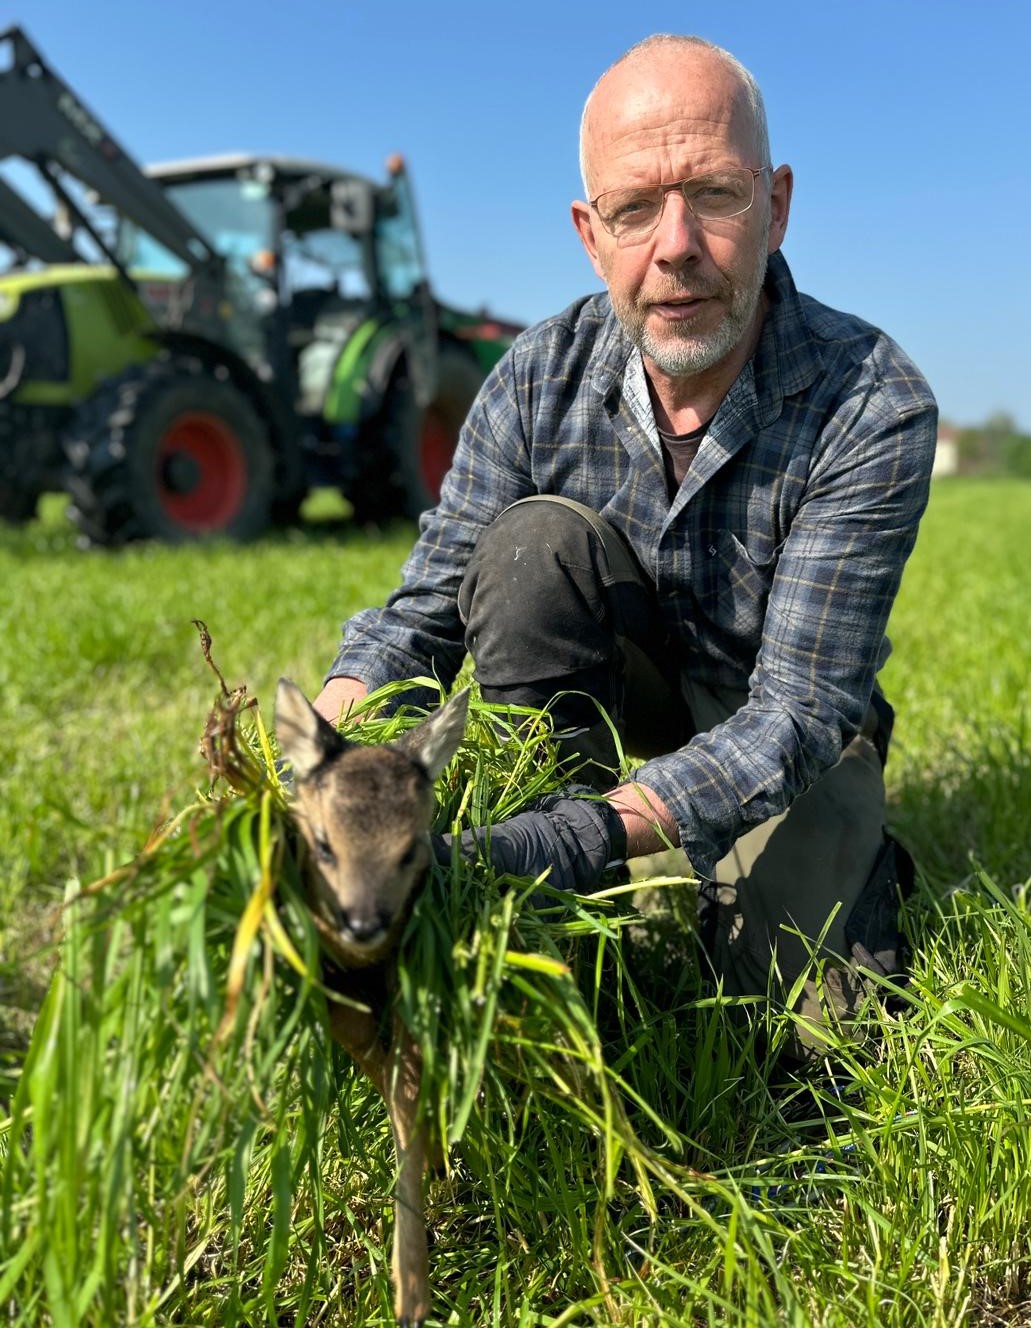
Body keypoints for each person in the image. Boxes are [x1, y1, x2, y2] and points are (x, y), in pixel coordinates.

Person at [313, 34, 937, 1035]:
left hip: (777, 725)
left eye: (717, 194)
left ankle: (826, 859)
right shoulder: (531, 378)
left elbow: (803, 707)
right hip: (611, 698)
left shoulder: (870, 397)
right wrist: (319, 761)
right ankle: (557, 911)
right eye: (635, 207)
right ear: (589, 233)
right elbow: (424, 609)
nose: (676, 243)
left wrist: (582, 837)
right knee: (525, 549)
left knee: (807, 1039)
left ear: (776, 207)